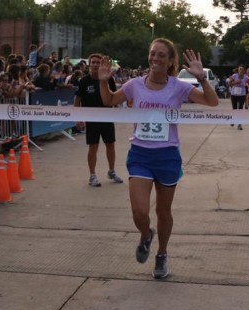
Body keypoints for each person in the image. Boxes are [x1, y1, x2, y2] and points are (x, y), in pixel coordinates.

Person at [98, 39, 218, 279]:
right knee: (139, 212)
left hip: (167, 156)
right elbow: (109, 100)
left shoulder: (179, 87)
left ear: (171, 61)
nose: (155, 59)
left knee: (163, 211)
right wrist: (103, 81)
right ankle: (146, 235)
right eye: (153, 54)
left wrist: (202, 78)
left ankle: (162, 254)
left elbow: (212, 102)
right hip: (140, 154)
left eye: (162, 55)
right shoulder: (135, 85)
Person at [75, 54, 124, 187]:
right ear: (89, 65)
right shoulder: (84, 81)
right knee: (93, 147)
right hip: (91, 119)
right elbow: (77, 100)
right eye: (93, 62)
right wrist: (78, 117)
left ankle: (112, 171)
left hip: (107, 118)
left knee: (110, 145)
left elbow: (114, 97)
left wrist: (116, 109)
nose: (96, 64)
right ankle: (92, 175)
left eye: (98, 62)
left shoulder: (109, 79)